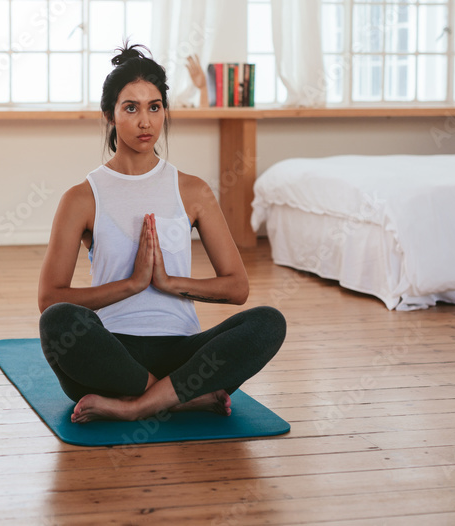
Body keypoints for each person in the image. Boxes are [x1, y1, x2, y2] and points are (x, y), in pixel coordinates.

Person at [37, 43, 286, 424]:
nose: (145, 121)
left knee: (268, 322)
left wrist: (169, 283)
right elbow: (49, 298)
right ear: (109, 114)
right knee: (57, 322)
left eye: (154, 107)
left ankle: (138, 404)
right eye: (131, 108)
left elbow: (237, 288)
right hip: (111, 354)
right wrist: (133, 284)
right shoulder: (82, 197)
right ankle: (182, 398)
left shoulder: (193, 191)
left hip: (183, 353)